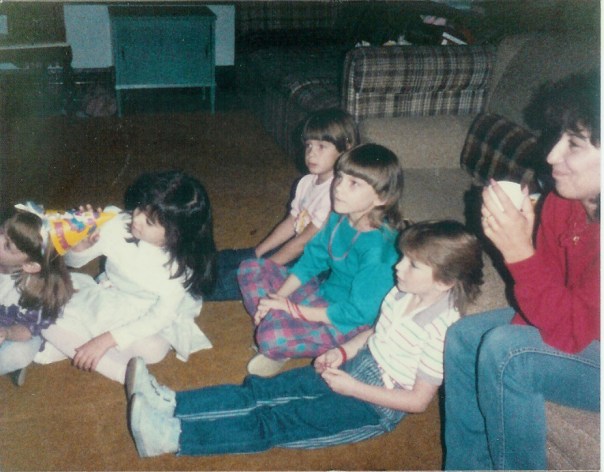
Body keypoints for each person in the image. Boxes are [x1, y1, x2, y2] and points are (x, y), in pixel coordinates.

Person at [126, 219, 485, 458]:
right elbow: (375, 332)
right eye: (402, 258)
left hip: (375, 406)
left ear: (445, 281)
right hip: (357, 365)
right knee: (262, 391)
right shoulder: (401, 291)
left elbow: (418, 401)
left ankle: (172, 436)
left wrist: (353, 388)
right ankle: (172, 403)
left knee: (276, 420)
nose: (398, 267)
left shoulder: (444, 331)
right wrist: (342, 352)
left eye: (412, 265)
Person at [443, 71, 600, 470]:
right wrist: (525, 243)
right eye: (558, 137)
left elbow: (571, 332)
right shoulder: (563, 202)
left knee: (509, 354)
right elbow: (546, 298)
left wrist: (518, 252)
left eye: (574, 144)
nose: (551, 157)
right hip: (583, 324)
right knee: (465, 337)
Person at [238, 143, 406, 377]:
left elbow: (358, 314)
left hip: (349, 322)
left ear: (382, 197)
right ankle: (280, 325)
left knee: (271, 338)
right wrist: (277, 299)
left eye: (353, 184)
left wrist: (291, 309)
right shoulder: (339, 216)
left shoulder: (380, 251)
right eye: (340, 177)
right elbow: (311, 261)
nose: (338, 188)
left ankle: (279, 335)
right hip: (322, 294)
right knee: (250, 268)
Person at [38, 170, 217, 383]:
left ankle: (57, 344)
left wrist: (106, 340)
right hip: (107, 296)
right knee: (42, 304)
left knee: (154, 349)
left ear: (175, 235)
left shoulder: (177, 271)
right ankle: (124, 375)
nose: (136, 218)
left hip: (143, 313)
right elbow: (73, 263)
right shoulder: (116, 223)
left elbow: (158, 318)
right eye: (140, 208)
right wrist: (80, 246)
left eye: (149, 222)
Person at [206, 108, 359, 301]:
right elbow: (291, 222)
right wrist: (257, 252)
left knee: (242, 279)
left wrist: (265, 267)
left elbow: (303, 242)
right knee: (234, 258)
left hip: (321, 267)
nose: (311, 154)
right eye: (309, 145)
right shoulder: (306, 182)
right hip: (299, 249)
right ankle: (186, 269)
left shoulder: (337, 194)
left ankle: (192, 290)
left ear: (346, 148)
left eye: (321, 146)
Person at [0, 211, 74, 385]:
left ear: (30, 265)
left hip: (15, 330)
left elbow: (27, 329)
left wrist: (7, 333)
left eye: (7, 246)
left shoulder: (35, 292)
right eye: (1, 231)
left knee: (18, 354)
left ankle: (11, 364)